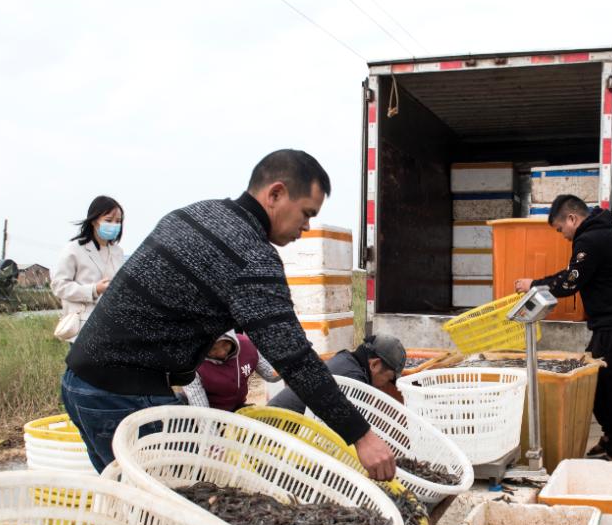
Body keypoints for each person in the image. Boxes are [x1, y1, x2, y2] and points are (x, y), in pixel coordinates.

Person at [60, 149, 396, 480]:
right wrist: (361, 436)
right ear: (276, 193)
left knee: (133, 497)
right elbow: (295, 359)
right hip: (122, 396)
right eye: (306, 213)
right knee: (171, 511)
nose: (306, 226)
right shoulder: (251, 256)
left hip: (80, 383)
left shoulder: (194, 213)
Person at [515, 196, 612, 460]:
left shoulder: (591, 239)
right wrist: (540, 283)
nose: (562, 235)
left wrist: (534, 284)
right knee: (595, 384)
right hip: (610, 325)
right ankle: (611, 438)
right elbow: (571, 274)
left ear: (572, 219)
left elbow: (569, 283)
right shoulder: (599, 234)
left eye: (560, 229)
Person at [50, 196, 125, 342]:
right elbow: (59, 285)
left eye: (118, 221)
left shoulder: (118, 251)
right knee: (79, 365)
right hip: (82, 325)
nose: (114, 225)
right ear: (93, 220)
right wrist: (94, 290)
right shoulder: (74, 249)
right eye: (109, 220)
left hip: (110, 325)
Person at [268, 334, 406, 414]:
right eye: (389, 378)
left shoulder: (346, 359)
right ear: (374, 365)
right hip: (275, 435)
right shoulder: (353, 380)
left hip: (275, 423)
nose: (384, 385)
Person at [181, 331, 280, 411]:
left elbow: (270, 374)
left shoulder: (247, 345)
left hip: (237, 407)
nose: (221, 352)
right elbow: (202, 411)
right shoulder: (191, 365)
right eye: (213, 349)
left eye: (225, 344)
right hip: (210, 411)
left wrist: (288, 365)